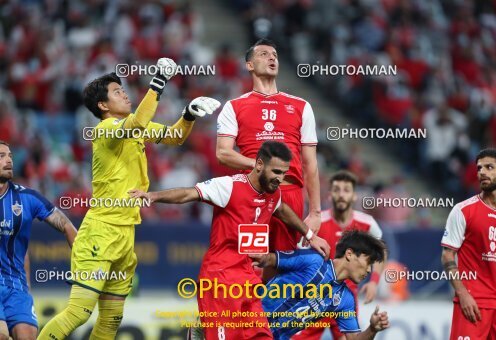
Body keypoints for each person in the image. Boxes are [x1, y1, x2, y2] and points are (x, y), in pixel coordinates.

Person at [38, 58, 221, 339]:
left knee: (112, 320)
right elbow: (136, 123)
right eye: (116, 91)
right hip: (100, 231)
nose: (124, 93)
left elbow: (173, 137)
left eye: (123, 90)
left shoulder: (133, 128)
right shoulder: (105, 130)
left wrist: (188, 115)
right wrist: (158, 82)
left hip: (125, 234)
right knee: (79, 312)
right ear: (103, 106)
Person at [129, 141, 330, 340]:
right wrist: (153, 196)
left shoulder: (272, 193)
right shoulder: (229, 186)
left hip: (249, 280)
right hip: (220, 279)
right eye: (276, 171)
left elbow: (282, 209)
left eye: (284, 173)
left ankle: (201, 333)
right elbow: (188, 193)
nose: (280, 178)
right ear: (259, 164)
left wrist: (310, 236)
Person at [216, 39, 321, 272]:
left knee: (284, 266)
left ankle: (276, 309)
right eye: (264, 54)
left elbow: (310, 163)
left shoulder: (301, 106)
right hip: (253, 195)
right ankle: (247, 308)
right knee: (251, 265)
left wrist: (315, 211)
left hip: (290, 193)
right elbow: (223, 153)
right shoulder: (234, 106)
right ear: (249, 65)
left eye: (274, 54)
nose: (272, 58)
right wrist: (262, 166)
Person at [0, 141, 77, 340]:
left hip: (17, 287)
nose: (8, 160)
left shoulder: (27, 198)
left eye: (10, 155)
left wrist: (83, 269)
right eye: (1, 156)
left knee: (27, 336)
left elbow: (67, 226)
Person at [250, 230, 389, 340]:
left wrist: (372, 328)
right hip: (247, 322)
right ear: (349, 254)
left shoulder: (345, 300)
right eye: (368, 262)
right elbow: (270, 259)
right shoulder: (314, 261)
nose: (369, 270)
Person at [295, 170, 385, 339]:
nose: (341, 195)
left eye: (346, 190)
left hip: (345, 299)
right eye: (337, 190)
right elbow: (299, 255)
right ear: (330, 195)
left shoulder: (367, 223)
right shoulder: (317, 222)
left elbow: (382, 252)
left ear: (354, 196)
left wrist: (374, 282)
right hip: (315, 297)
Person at [441, 148, 496, 339]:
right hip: (473, 303)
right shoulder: (462, 210)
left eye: (489, 167)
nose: (482, 172)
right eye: (479, 168)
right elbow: (447, 255)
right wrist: (462, 294)